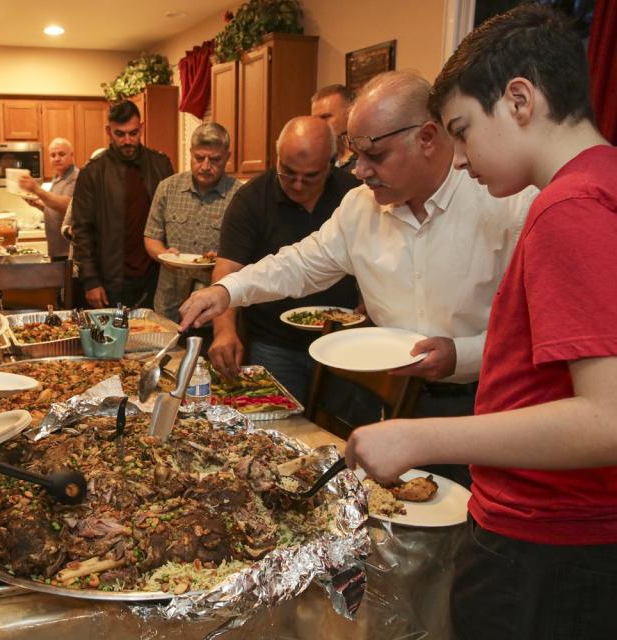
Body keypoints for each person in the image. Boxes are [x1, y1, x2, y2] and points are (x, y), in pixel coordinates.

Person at [344, 7, 617, 638]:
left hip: (545, 541)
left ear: (519, 100)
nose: (460, 159)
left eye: (463, 131)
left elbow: (605, 419)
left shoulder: (568, 207)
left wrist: (419, 438)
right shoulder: (603, 184)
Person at [180, 71, 536, 486]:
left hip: (490, 410)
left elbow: (537, 334)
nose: (360, 171)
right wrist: (228, 290)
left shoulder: (506, 201)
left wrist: (464, 354)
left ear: (426, 137)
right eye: (354, 153)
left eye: (375, 155)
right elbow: (299, 263)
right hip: (399, 404)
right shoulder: (359, 208)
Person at [207, 116, 359, 406]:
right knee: (281, 428)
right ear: (276, 159)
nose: (298, 184)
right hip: (275, 343)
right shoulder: (251, 199)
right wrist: (225, 331)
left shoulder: (354, 195)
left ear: (331, 162)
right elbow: (228, 268)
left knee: (345, 427)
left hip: (344, 340)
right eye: (287, 173)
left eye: (311, 176)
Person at [71, 100, 174, 308]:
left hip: (155, 279)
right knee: (112, 339)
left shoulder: (161, 165)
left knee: (154, 339)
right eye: (120, 134)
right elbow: (82, 231)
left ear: (142, 128)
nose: (128, 140)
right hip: (111, 281)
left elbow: (172, 218)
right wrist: (90, 281)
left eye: (133, 133)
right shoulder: (92, 172)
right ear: (109, 131)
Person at [143, 123, 242, 324]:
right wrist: (163, 255)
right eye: (199, 158)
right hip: (170, 301)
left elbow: (247, 251)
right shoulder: (168, 188)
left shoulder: (239, 196)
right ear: (190, 153)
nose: (205, 166)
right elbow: (151, 237)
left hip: (216, 307)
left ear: (227, 157)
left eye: (215, 159)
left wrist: (224, 258)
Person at [19, 137, 78, 260]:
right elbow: (55, 209)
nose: (57, 158)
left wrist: (36, 189)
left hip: (69, 251)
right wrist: (38, 205)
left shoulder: (76, 177)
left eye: (61, 154)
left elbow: (67, 207)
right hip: (56, 250)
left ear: (71, 156)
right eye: (53, 155)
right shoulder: (57, 178)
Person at [311, 84, 357, 173]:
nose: (319, 124)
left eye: (325, 117)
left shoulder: (366, 160)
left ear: (350, 114)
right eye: (315, 119)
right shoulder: (321, 162)